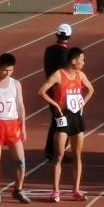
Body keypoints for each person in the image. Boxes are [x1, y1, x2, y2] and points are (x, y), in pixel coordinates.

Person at [38, 47, 96, 202]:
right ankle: (55, 191)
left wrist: (83, 102)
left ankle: (76, 189)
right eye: (82, 60)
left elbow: (91, 89)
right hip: (62, 117)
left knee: (77, 155)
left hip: (76, 117)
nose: (83, 63)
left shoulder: (80, 75)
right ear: (73, 61)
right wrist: (55, 105)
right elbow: (41, 91)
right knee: (58, 155)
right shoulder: (59, 75)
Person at [0, 53, 32, 204]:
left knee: (21, 161)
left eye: (10, 70)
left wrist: (23, 127)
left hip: (12, 126)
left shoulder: (16, 84)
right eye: (5, 70)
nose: (7, 73)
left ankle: (18, 189)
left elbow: (21, 106)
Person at [43, 24, 72, 161]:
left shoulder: (49, 50)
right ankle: (57, 152)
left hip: (50, 88)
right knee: (63, 121)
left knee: (57, 120)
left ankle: (51, 150)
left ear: (56, 35)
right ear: (69, 37)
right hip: (62, 90)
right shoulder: (67, 54)